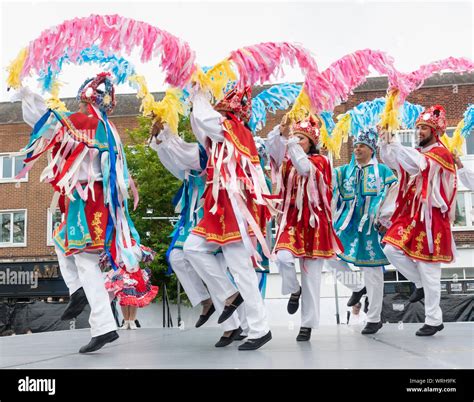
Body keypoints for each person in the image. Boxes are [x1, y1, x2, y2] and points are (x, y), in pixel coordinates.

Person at [13, 73, 146, 351]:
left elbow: (46, 123)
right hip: (94, 200)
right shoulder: (110, 129)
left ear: (87, 99)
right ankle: (78, 292)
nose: (82, 106)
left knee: (85, 260)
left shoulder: (82, 123)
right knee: (62, 243)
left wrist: (27, 94)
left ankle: (104, 326)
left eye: (83, 101)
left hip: (90, 198)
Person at [183, 85, 277, 350]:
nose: (217, 114)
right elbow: (200, 125)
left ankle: (260, 329)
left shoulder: (236, 130)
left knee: (241, 269)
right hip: (219, 207)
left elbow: (205, 121)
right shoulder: (221, 135)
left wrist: (201, 93)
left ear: (232, 113)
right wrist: (195, 99)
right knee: (191, 248)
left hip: (237, 207)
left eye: (221, 110)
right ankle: (228, 294)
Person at [149, 119, 248, 347]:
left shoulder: (207, 153)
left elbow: (184, 153)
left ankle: (236, 325)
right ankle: (207, 301)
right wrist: (160, 139)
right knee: (177, 257)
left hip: (215, 215)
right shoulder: (189, 166)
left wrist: (167, 133)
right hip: (193, 220)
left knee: (221, 269)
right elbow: (172, 160)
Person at [379, 105, 457, 336]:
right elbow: (397, 163)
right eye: (418, 127)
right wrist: (385, 141)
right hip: (412, 216)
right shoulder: (420, 153)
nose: (419, 131)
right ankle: (419, 284)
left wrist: (394, 143)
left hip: (432, 219)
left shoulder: (441, 153)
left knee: (430, 270)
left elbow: (417, 164)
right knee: (391, 249)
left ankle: (434, 320)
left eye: (424, 128)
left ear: (436, 131)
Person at [266, 115, 343, 341]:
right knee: (282, 258)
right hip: (291, 220)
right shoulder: (287, 160)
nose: (297, 141)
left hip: (314, 223)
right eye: (296, 137)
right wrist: (281, 132)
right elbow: (274, 152)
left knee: (312, 277)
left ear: (311, 143)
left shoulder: (320, 162)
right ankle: (293, 289)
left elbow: (304, 168)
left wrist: (290, 143)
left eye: (302, 138)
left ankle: (307, 325)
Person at [328, 128, 398, 334]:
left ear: (371, 149)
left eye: (361, 145)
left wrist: (383, 219)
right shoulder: (342, 172)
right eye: (356, 145)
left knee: (373, 272)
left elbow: (393, 195)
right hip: (346, 225)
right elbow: (327, 189)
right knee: (329, 255)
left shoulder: (383, 172)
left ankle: (374, 318)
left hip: (370, 227)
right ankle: (358, 288)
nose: (357, 148)